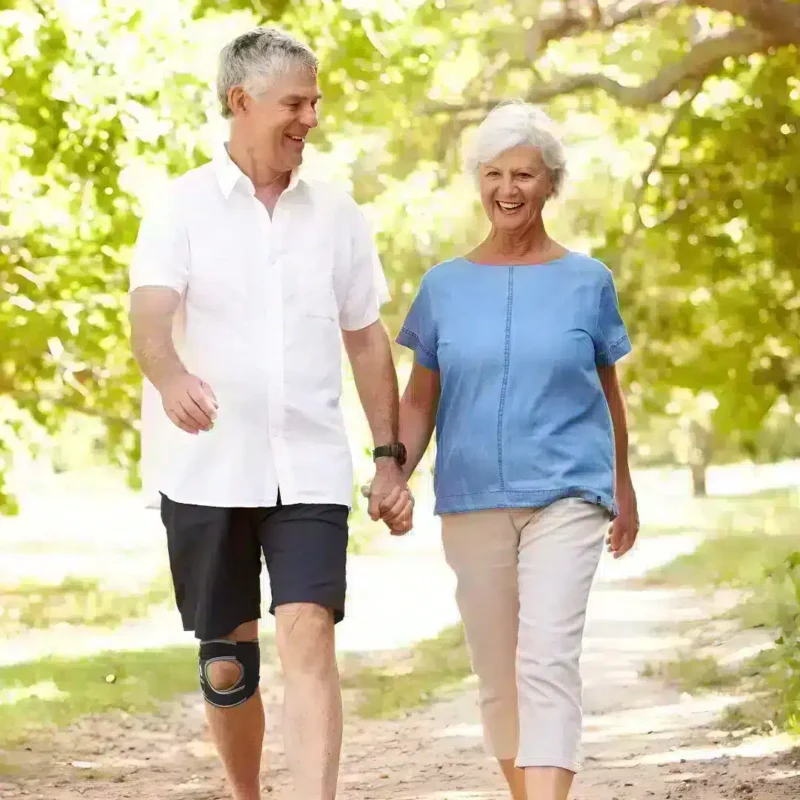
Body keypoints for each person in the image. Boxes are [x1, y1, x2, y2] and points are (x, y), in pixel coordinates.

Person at [128, 27, 412, 800]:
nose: (312, 118)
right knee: (229, 662)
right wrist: (171, 375)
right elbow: (150, 317)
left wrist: (389, 456)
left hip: (310, 465)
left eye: (315, 101)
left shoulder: (337, 215)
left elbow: (365, 339)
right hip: (206, 469)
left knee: (310, 632)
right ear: (241, 102)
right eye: (296, 102)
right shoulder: (180, 207)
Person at [394, 101, 639, 800]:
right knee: (497, 675)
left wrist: (623, 486)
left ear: (549, 184)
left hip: (568, 494)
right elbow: (420, 399)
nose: (508, 189)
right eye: (495, 173)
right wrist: (394, 470)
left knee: (548, 661)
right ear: (478, 181)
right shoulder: (444, 285)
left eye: (525, 175)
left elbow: (607, 391)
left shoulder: (587, 280)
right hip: (472, 497)